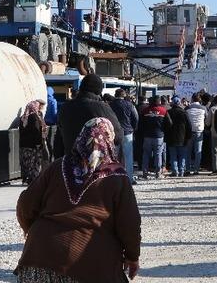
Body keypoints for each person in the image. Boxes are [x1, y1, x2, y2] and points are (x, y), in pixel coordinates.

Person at [15, 117, 141, 283]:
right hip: (87, 261)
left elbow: (26, 203)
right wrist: (132, 256)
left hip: (39, 255)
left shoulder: (58, 166)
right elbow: (129, 223)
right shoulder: (116, 176)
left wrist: (29, 228)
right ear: (110, 140)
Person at [55, 74, 123, 159]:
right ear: (99, 90)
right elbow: (118, 136)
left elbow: (59, 138)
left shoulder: (65, 107)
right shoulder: (101, 107)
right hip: (94, 164)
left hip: (70, 163)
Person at [110, 88, 140, 183]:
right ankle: (129, 178)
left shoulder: (110, 105)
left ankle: (115, 178)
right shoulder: (129, 104)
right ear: (124, 95)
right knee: (128, 156)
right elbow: (136, 117)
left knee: (114, 157)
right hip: (127, 132)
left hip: (114, 133)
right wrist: (133, 128)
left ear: (115, 95)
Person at [139, 96, 171, 179]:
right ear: (159, 101)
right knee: (158, 154)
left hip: (147, 136)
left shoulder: (145, 111)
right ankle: (158, 173)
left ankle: (144, 173)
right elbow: (170, 123)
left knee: (146, 154)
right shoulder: (163, 111)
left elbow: (140, 123)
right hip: (159, 136)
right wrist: (163, 130)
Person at [19, 100, 50, 185]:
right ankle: (32, 179)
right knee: (34, 162)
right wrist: (38, 143)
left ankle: (25, 179)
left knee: (25, 162)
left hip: (23, 144)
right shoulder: (34, 117)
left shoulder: (22, 117)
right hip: (33, 145)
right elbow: (36, 131)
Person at [164, 96, 192, 177]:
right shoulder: (184, 112)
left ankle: (175, 171)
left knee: (173, 155)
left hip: (171, 137)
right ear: (179, 103)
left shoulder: (168, 112)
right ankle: (181, 171)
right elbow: (189, 125)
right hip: (182, 137)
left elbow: (166, 125)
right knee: (182, 155)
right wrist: (188, 136)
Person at [185, 93, 208, 175]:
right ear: (200, 99)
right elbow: (207, 118)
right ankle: (196, 169)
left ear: (192, 99)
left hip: (189, 132)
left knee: (188, 151)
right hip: (199, 131)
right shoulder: (203, 108)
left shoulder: (187, 108)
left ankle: (187, 169)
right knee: (198, 151)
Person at [43, 87, 59, 161]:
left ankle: (46, 158)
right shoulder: (53, 101)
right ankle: (51, 159)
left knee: (45, 142)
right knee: (52, 142)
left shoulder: (43, 101)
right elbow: (54, 112)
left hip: (44, 124)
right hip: (52, 124)